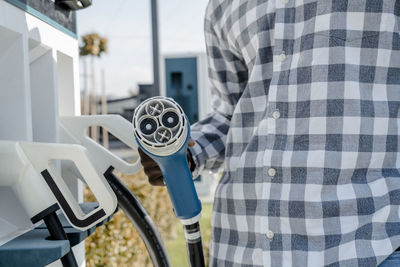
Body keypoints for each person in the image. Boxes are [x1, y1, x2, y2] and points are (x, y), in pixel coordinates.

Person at [139, 1, 400, 266]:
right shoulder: (222, 6)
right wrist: (188, 152)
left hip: (367, 248)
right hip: (241, 249)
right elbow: (230, 113)